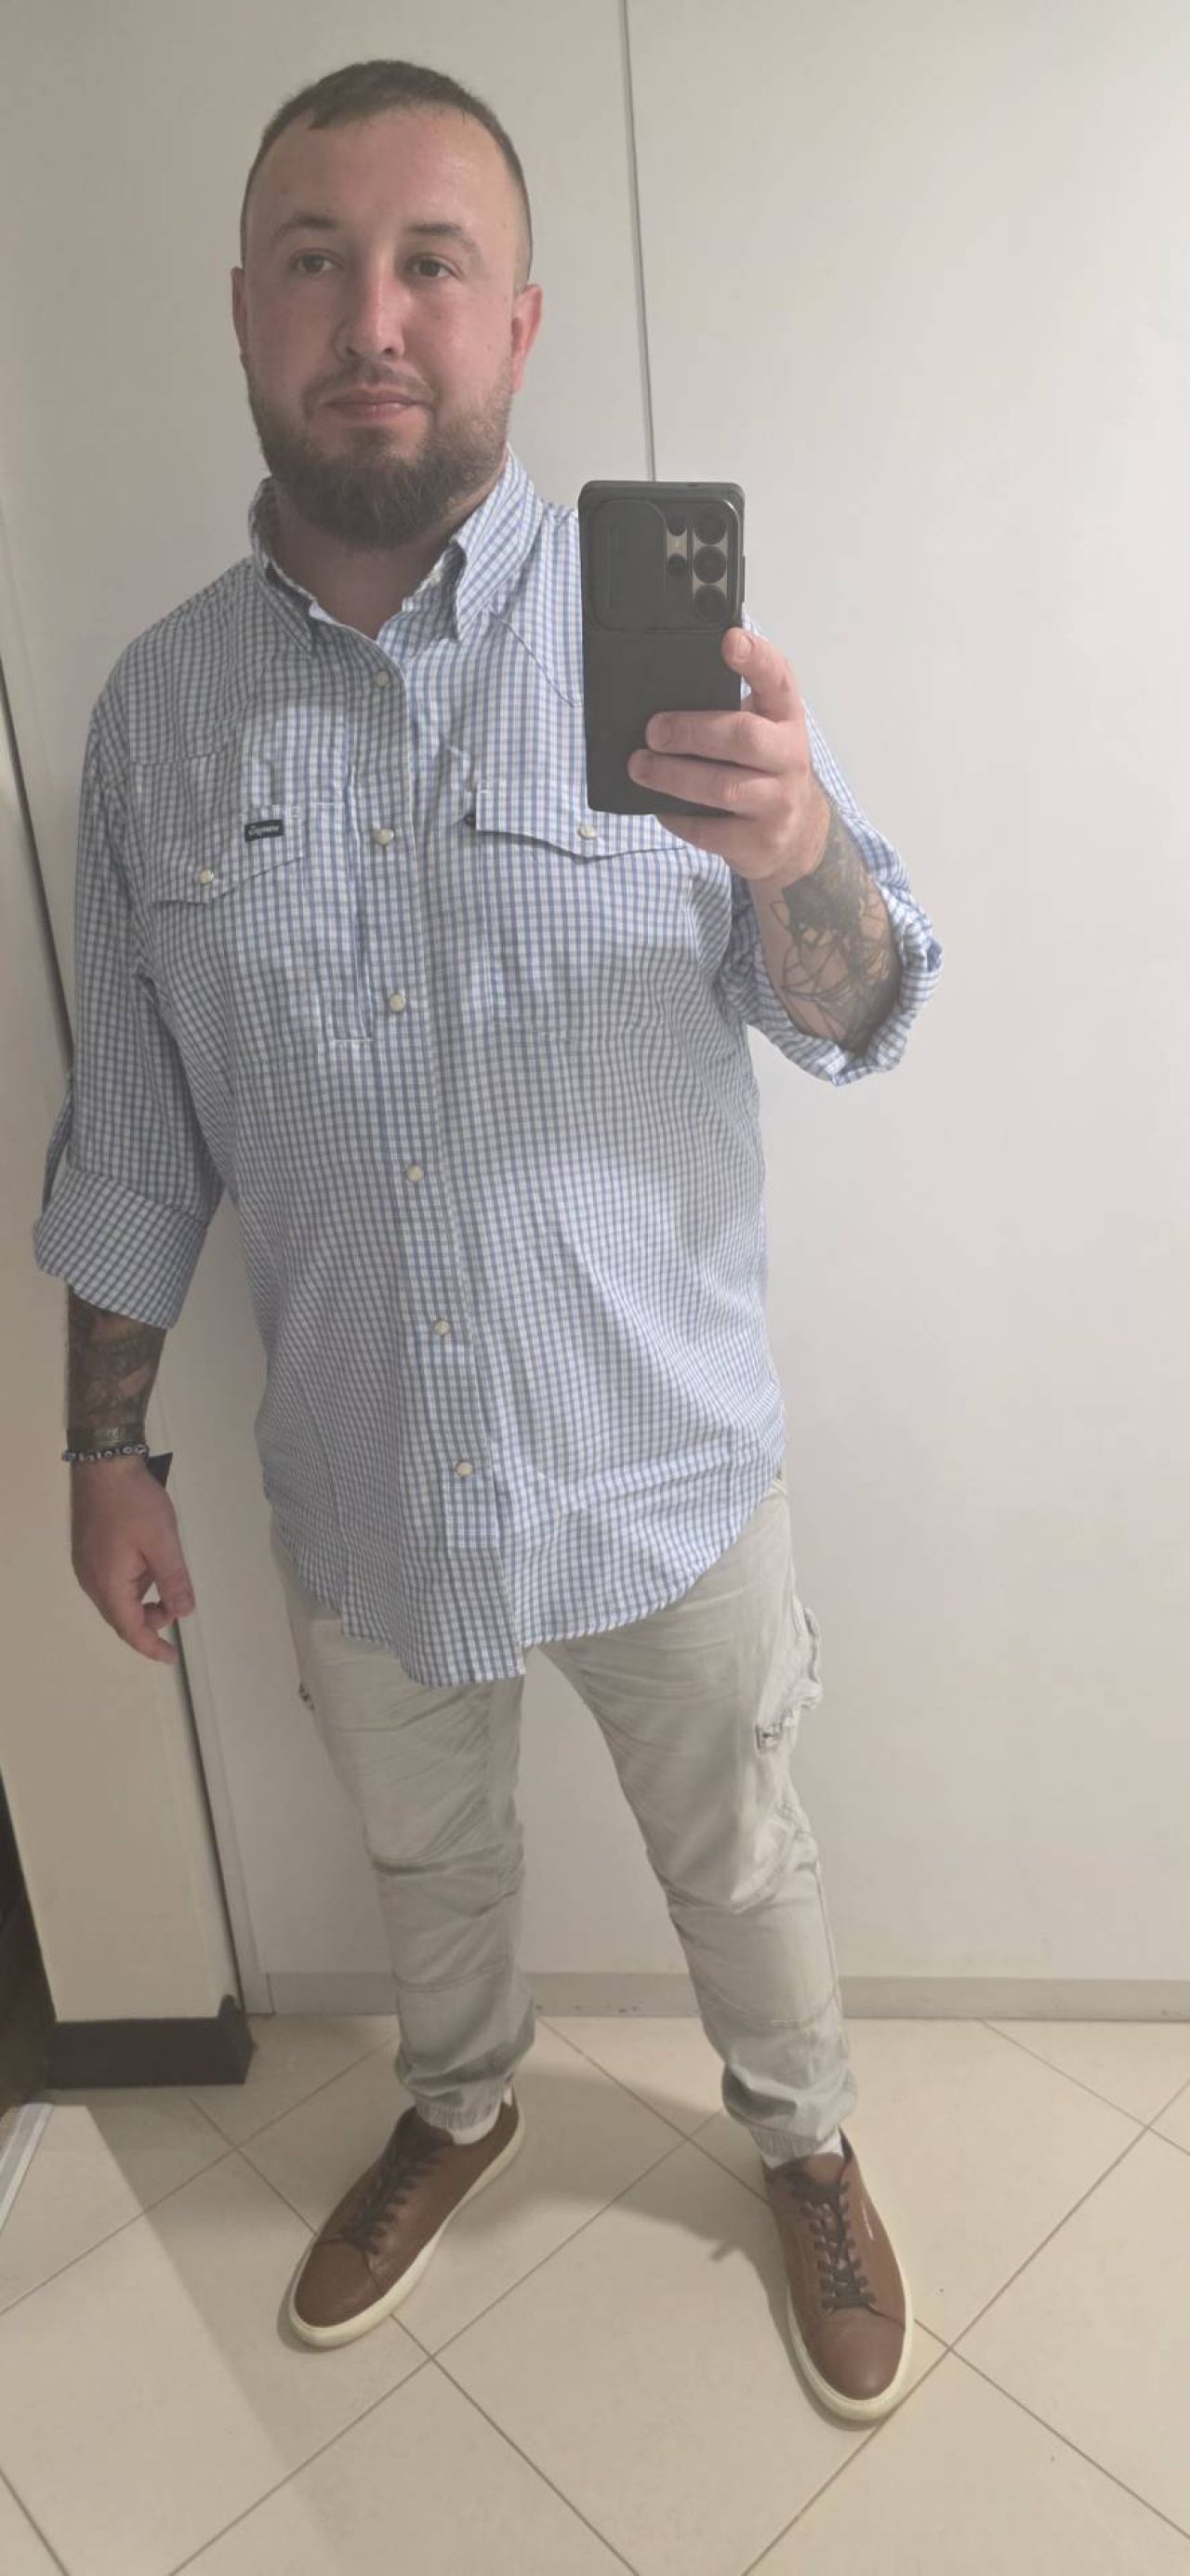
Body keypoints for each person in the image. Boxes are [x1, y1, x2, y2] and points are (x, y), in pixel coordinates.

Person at [34, 58, 942, 2422]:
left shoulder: (681, 677)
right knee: (427, 1869)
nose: (375, 313)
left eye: (431, 261)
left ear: (517, 320)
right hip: (363, 1483)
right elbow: (136, 1128)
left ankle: (804, 2136)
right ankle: (458, 2104)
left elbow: (859, 1014)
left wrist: (802, 856)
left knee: (740, 1856)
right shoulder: (158, 717)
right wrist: (104, 1451)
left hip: (663, 1468)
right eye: (317, 260)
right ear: (246, 311)